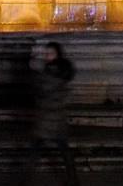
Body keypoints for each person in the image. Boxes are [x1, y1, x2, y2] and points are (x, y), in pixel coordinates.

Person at [29, 40, 79, 185]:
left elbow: (42, 88)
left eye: (50, 53)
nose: (47, 56)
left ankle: (25, 181)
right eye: (46, 53)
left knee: (37, 150)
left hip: (49, 119)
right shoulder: (60, 71)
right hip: (55, 119)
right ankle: (73, 180)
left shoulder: (52, 73)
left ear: (57, 55)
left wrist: (31, 69)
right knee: (63, 151)